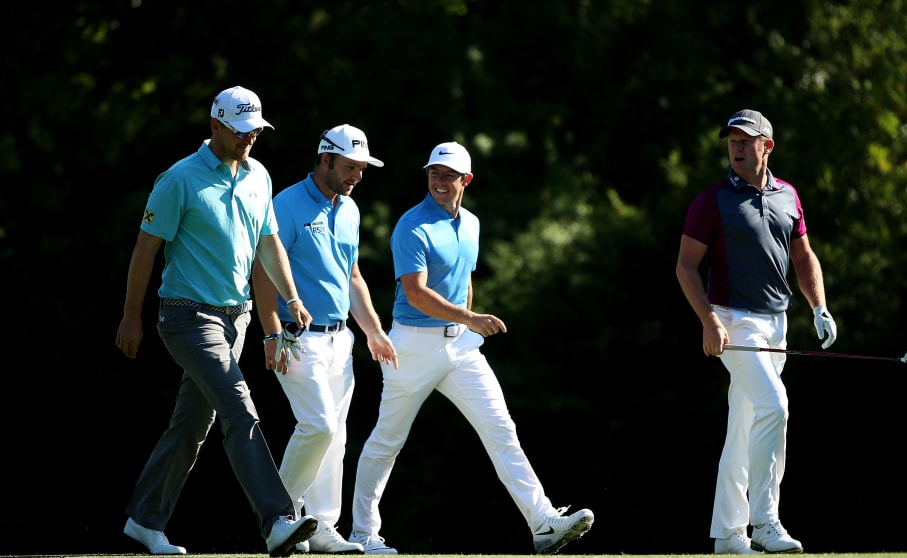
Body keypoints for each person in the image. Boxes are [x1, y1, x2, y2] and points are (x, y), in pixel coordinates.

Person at [347, 141, 594, 555]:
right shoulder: (412, 225)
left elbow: (464, 281)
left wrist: (467, 322)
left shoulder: (472, 224)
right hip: (412, 345)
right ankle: (363, 534)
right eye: (434, 174)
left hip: (460, 346)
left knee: (501, 429)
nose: (440, 182)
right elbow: (417, 293)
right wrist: (471, 319)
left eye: (449, 176)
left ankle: (543, 522)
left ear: (467, 180)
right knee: (387, 439)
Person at [115, 85, 320, 557]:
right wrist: (131, 317)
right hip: (186, 317)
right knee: (238, 406)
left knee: (191, 424)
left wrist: (290, 299)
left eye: (256, 132)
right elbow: (146, 250)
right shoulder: (179, 179)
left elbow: (268, 243)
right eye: (242, 131)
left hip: (237, 319)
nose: (250, 139)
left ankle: (144, 522)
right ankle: (277, 520)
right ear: (215, 126)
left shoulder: (258, 176)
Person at [675, 109, 838, 555]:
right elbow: (686, 266)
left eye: (746, 141)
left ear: (767, 146)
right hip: (733, 321)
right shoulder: (712, 200)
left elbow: (803, 257)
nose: (737, 149)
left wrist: (819, 307)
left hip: (777, 321)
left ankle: (729, 534)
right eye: (732, 142)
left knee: (745, 423)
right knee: (776, 405)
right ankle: (766, 521)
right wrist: (709, 321)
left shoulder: (788, 195)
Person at [251, 124, 400, 554]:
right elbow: (262, 272)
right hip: (296, 337)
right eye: (349, 166)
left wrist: (373, 331)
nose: (355, 175)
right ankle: (279, 514)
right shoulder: (287, 204)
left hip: (341, 340)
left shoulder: (350, 210)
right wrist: (271, 333)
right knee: (319, 425)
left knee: (336, 439)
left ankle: (320, 527)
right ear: (325, 159)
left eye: (361, 169)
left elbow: (352, 277)